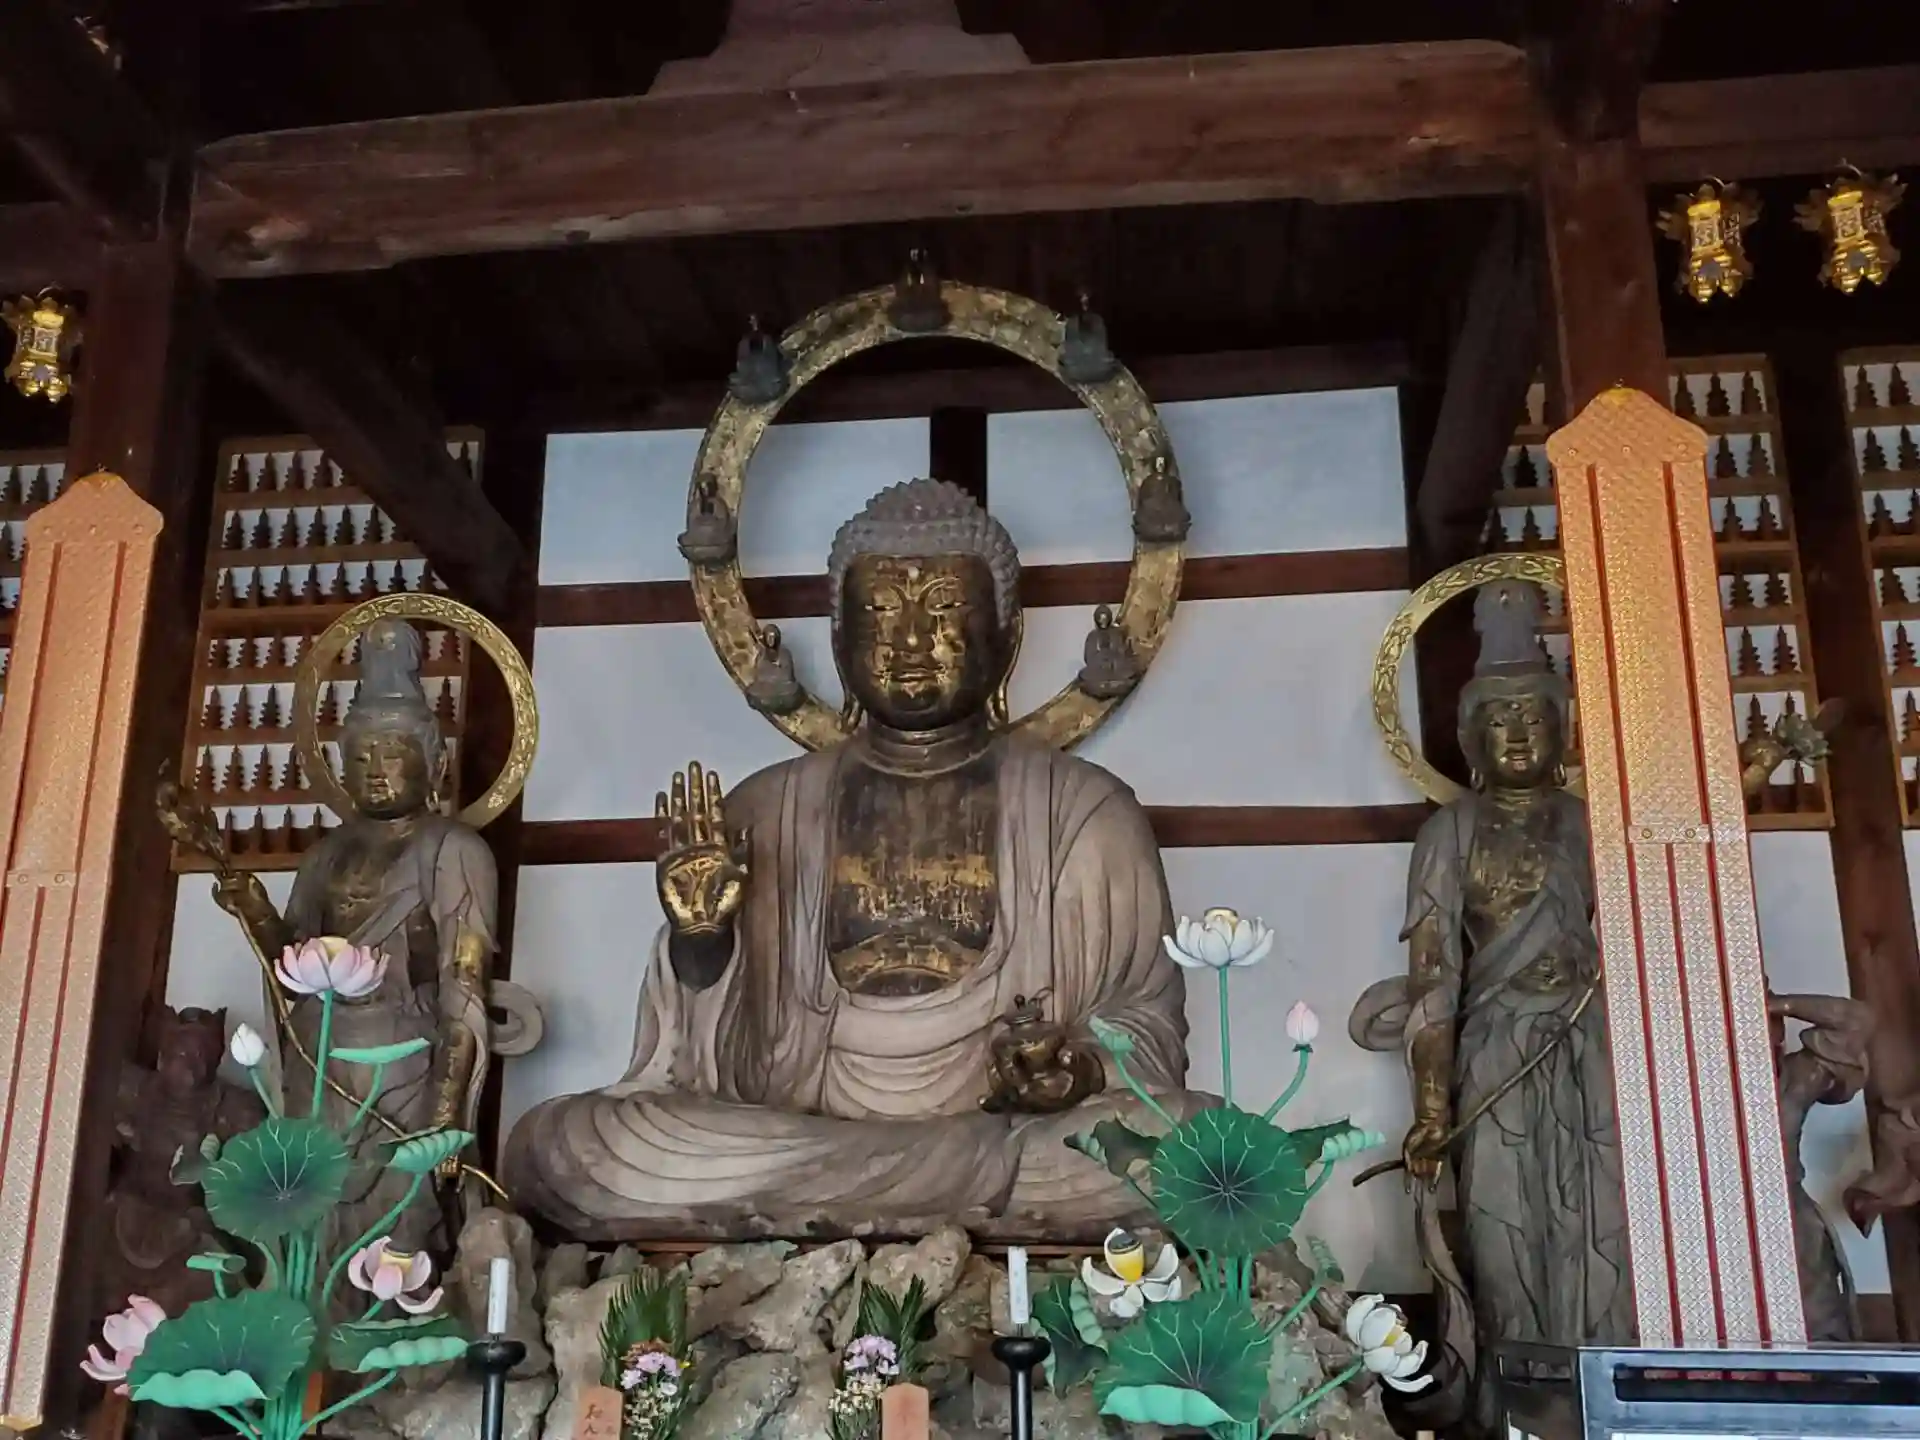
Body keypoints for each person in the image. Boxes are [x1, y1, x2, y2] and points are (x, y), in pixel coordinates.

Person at [507, 478, 1198, 1239]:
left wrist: (1079, 1067)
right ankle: (923, 1193)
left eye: (942, 608)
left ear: (1007, 636)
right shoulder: (763, 810)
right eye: (880, 612)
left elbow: (1144, 1024)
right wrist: (701, 945)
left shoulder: (1085, 811)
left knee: (1194, 1145)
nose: (910, 641)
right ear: (838, 640)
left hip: (1009, 1138)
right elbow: (700, 1071)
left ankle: (838, 1206)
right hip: (813, 1133)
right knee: (564, 1147)